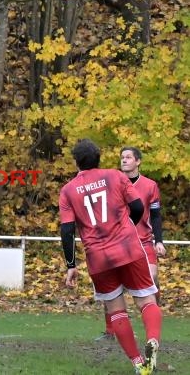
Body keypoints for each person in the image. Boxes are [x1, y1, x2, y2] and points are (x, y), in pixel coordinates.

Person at [59, 139, 162, 374]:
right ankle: (153, 341)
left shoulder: (68, 190)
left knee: (116, 310)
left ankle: (138, 363)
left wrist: (71, 265)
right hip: (129, 248)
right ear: (98, 158)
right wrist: (128, 227)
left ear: (77, 162)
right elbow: (137, 207)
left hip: (98, 257)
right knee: (147, 300)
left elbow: (67, 230)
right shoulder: (115, 176)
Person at [96, 147, 166, 341]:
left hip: (143, 241)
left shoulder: (150, 186)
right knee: (111, 285)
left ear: (138, 161)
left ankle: (153, 321)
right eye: (122, 157)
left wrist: (159, 241)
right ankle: (110, 330)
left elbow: (156, 215)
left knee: (152, 278)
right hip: (117, 241)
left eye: (128, 157)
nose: (124, 160)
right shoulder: (112, 182)